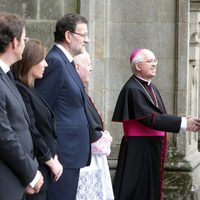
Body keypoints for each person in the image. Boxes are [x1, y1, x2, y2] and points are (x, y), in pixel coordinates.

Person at [112, 48, 200, 200]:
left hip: (150, 147)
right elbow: (151, 119)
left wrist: (185, 119)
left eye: (155, 61)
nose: (154, 64)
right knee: (136, 190)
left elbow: (160, 116)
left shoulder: (150, 86)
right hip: (139, 150)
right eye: (150, 61)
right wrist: (185, 123)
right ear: (138, 66)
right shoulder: (132, 89)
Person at [35, 13, 90, 200]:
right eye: (83, 35)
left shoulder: (66, 61)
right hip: (62, 154)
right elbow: (42, 110)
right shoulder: (55, 62)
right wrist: (51, 155)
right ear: (68, 36)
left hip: (72, 153)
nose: (87, 40)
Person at [11, 39, 63, 200]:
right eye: (41, 60)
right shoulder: (21, 90)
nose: (46, 64)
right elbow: (32, 130)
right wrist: (50, 160)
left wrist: (53, 156)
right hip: (36, 167)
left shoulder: (29, 88)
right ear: (30, 62)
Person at [0, 12, 44, 200]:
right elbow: (4, 135)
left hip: (14, 177)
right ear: (14, 42)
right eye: (24, 39)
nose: (25, 43)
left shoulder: (6, 75)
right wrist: (31, 173)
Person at [73, 51, 114, 200]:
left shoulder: (80, 89)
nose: (91, 69)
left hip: (93, 155)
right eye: (88, 65)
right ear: (77, 67)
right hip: (86, 155)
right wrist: (102, 138)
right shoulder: (75, 91)